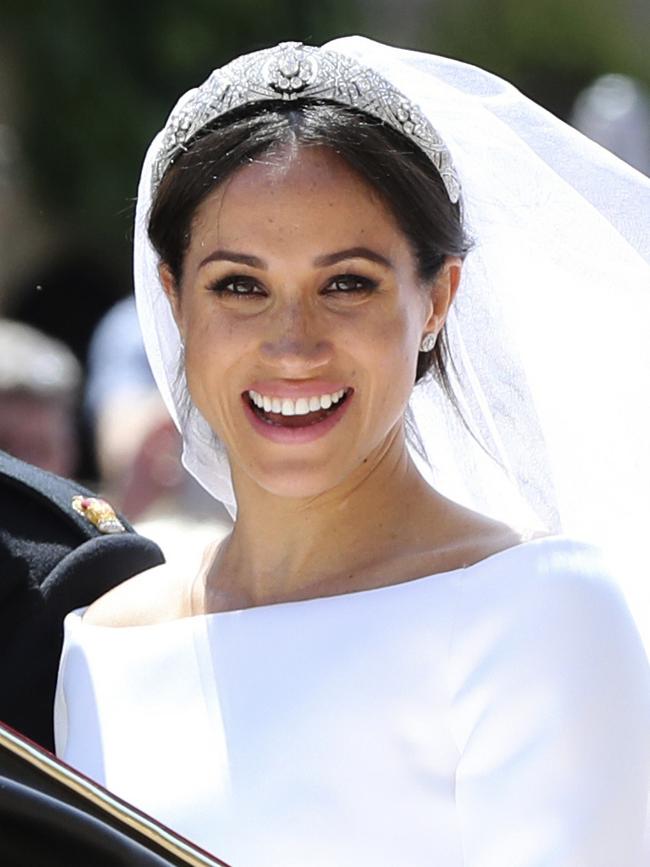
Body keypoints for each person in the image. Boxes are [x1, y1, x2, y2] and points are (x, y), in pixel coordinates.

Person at [53, 38, 650, 866]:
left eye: (347, 284)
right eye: (239, 285)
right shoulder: (105, 646)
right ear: (173, 298)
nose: (292, 345)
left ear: (438, 298)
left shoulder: (540, 612)